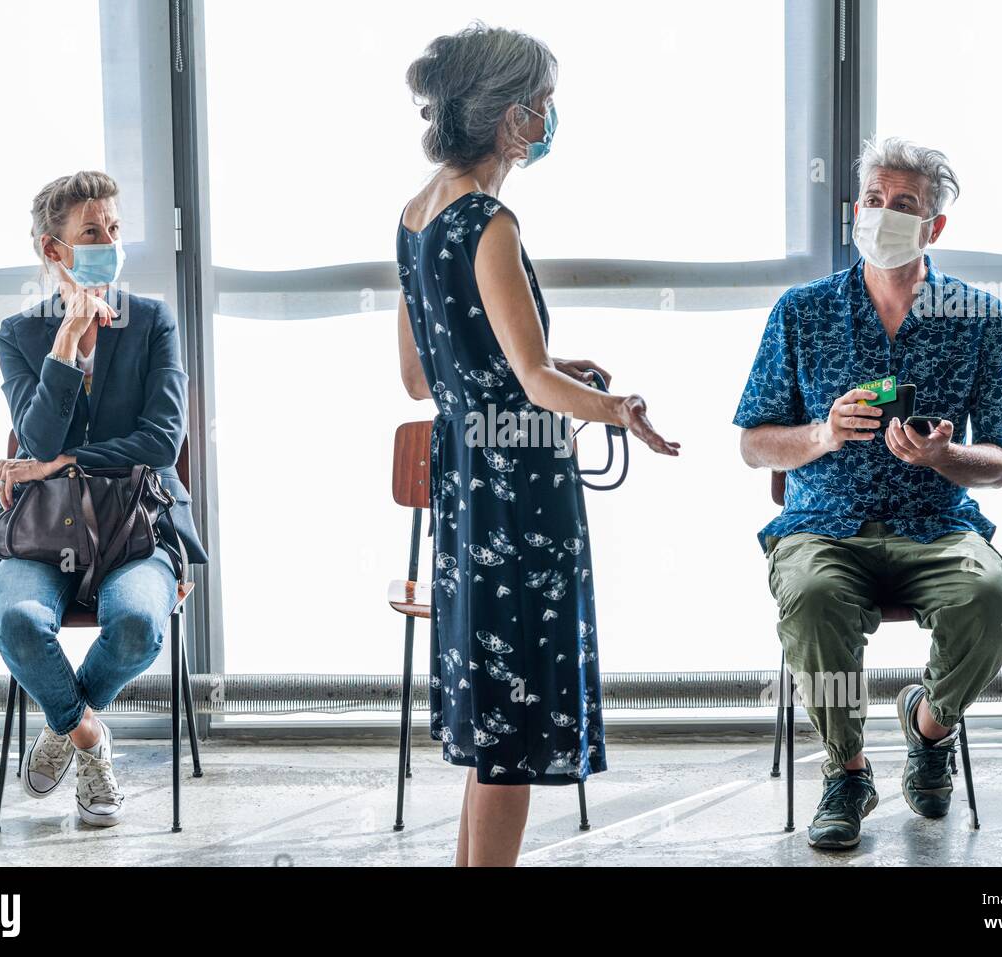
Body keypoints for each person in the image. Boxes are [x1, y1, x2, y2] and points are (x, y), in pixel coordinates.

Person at [397, 23, 680, 866]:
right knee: (513, 727)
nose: (553, 118)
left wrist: (550, 364)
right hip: (517, 492)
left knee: (492, 716)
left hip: (467, 478)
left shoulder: (417, 215)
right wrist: (614, 406)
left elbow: (420, 376)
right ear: (511, 119)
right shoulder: (490, 223)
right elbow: (530, 382)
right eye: (545, 104)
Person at [735, 137, 1002, 850]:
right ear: (854, 212)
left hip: (937, 525)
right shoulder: (802, 313)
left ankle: (929, 724)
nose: (884, 215)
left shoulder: (979, 318)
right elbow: (752, 444)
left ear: (934, 227)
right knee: (810, 597)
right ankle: (848, 769)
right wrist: (822, 434)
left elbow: (1001, 459)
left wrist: (945, 454)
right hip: (824, 525)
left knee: (990, 599)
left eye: (904, 205)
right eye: (874, 201)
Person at [0, 171, 208, 827]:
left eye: (113, 227)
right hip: (46, 532)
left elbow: (161, 442)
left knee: (139, 622)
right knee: (18, 620)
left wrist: (62, 461)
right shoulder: (17, 335)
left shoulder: (153, 322)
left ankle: (59, 720)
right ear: (54, 251)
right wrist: (66, 346)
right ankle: (86, 735)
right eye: (91, 232)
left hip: (140, 525)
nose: (110, 241)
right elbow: (38, 432)